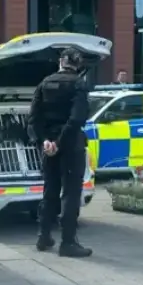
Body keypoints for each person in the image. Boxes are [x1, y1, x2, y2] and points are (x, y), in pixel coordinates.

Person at [28, 48, 92, 258]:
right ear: (78, 64)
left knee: (50, 191)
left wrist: (45, 141)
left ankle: (44, 236)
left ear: (61, 62)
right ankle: (68, 242)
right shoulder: (79, 85)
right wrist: (60, 142)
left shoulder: (44, 83)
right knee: (71, 194)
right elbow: (77, 119)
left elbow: (34, 119)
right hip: (70, 146)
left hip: (49, 148)